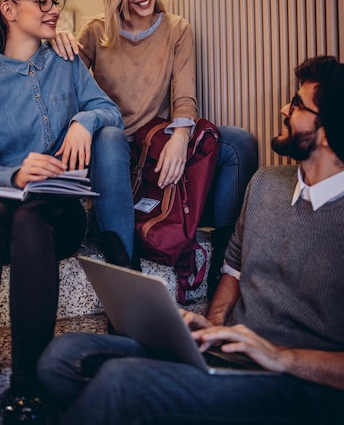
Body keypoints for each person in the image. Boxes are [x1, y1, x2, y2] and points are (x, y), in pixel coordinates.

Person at [36, 54, 344, 425]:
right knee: (64, 356)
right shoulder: (265, 183)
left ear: (326, 132)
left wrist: (281, 356)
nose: (283, 108)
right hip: (229, 355)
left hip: (296, 385)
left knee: (121, 381)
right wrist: (212, 326)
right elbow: (232, 270)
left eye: (296, 104)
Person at [0, 0, 135, 425]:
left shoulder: (65, 63)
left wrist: (85, 121)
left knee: (31, 219)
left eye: (55, 0)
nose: (53, 10)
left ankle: (28, 388)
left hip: (51, 215)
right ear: (9, 9)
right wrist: (14, 175)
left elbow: (107, 110)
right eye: (41, 1)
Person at [51, 0, 258, 291]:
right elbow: (58, 89)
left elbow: (185, 97)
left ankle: (224, 267)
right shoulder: (96, 33)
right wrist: (55, 42)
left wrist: (181, 136)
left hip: (158, 148)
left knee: (239, 142)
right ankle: (127, 270)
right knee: (112, 136)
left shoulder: (177, 29)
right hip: (112, 155)